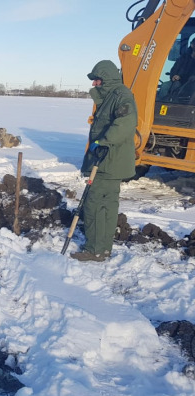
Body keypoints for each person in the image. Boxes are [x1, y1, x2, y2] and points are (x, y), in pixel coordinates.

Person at [70, 60, 137, 262]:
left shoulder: (120, 95)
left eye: (96, 80)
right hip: (109, 161)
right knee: (107, 206)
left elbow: (126, 123)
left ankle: (95, 250)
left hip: (107, 161)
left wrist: (103, 142)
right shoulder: (111, 96)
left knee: (95, 205)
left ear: (106, 79)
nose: (94, 84)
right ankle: (103, 249)